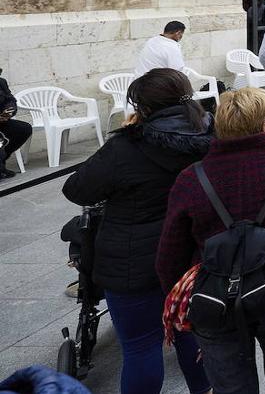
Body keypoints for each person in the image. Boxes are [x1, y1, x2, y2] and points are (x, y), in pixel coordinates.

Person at [156, 87, 265, 394]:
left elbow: (170, 254)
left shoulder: (191, 177)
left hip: (215, 295)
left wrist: (184, 304)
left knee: (231, 387)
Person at [62, 69, 212, 394]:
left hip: (134, 263)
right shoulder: (212, 136)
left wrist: (123, 139)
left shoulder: (127, 146)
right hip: (194, 258)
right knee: (190, 335)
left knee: (141, 346)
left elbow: (77, 189)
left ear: (142, 106)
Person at [0, 69, 32, 180]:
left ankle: (1, 161)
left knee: (24, 129)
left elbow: (11, 99)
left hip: (2, 121)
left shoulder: (1, 82)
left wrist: (9, 110)